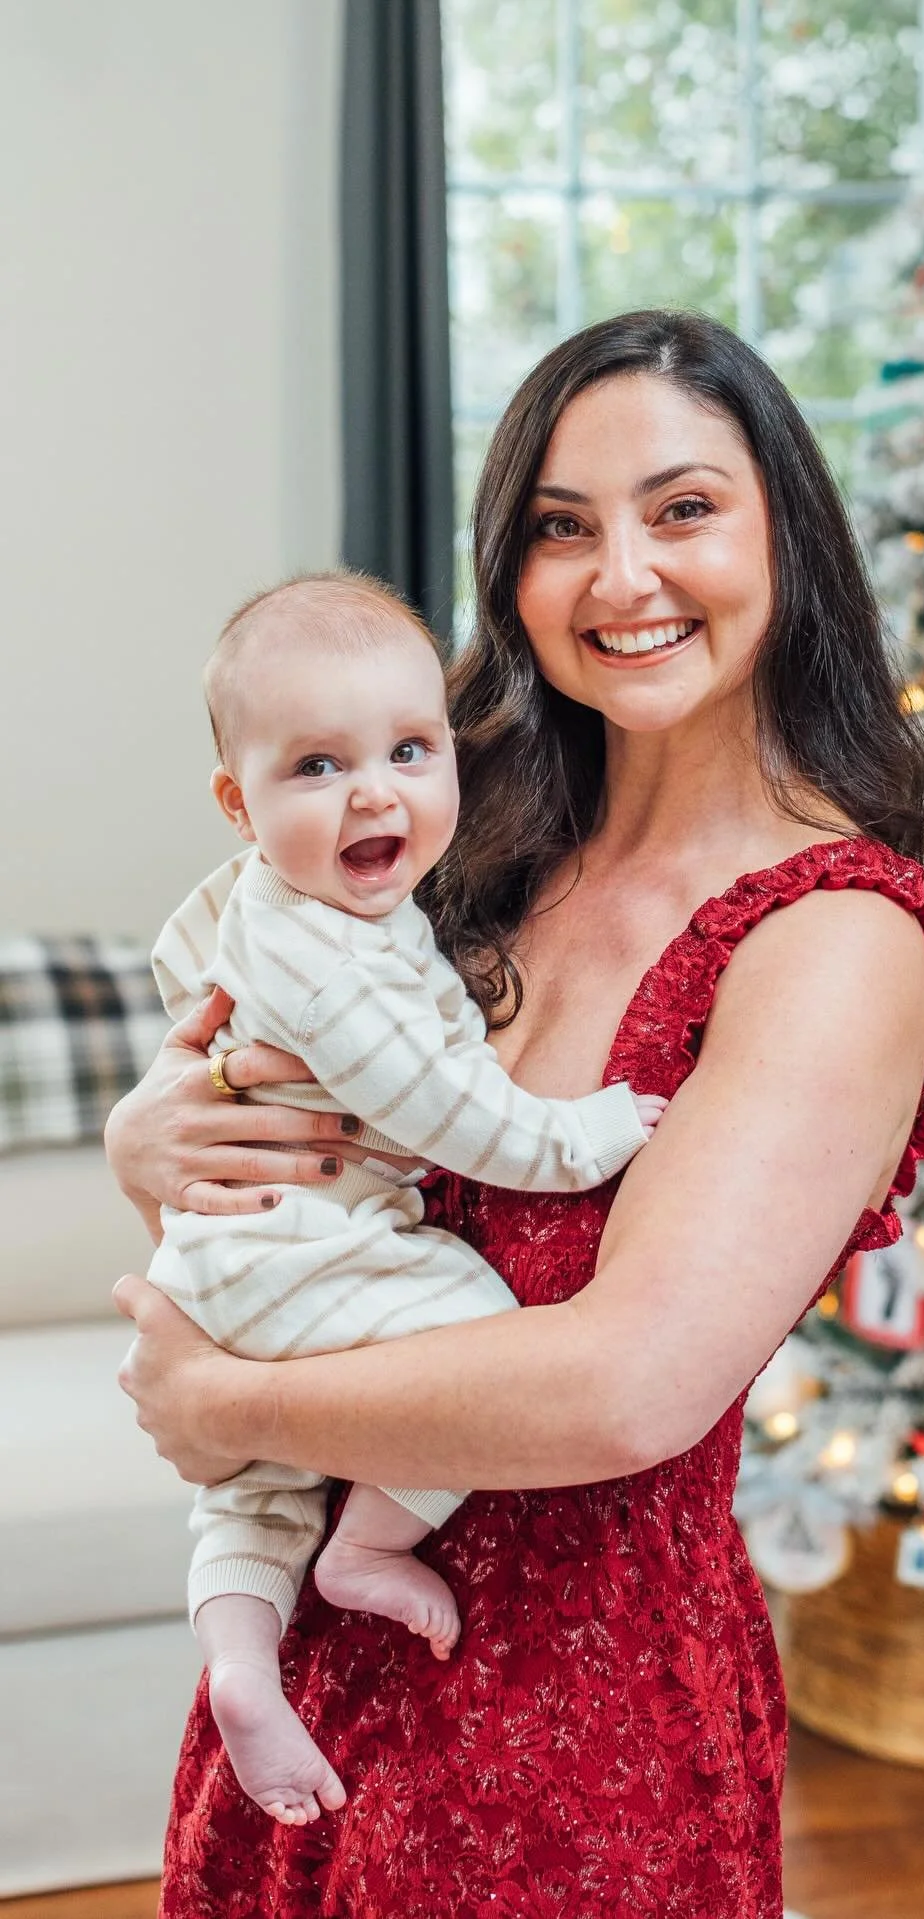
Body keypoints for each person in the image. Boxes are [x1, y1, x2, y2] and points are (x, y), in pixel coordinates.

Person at [109, 308, 924, 1918]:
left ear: (789, 531)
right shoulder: (440, 829)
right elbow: (266, 1124)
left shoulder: (831, 937)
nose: (622, 576)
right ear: (509, 575)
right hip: (308, 1684)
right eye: (563, 528)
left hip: (577, 1746)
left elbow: (627, 1384)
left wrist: (227, 1410)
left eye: (684, 508)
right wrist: (145, 1136)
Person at [145, 572, 663, 1826]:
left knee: (255, 1483)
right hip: (302, 1245)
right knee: (476, 1326)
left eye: (409, 750)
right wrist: (583, 1135)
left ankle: (239, 1659)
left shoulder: (323, 906)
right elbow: (447, 1111)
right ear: (239, 803)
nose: (375, 790)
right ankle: (371, 1542)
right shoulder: (323, 957)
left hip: (243, 1258)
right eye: (318, 765)